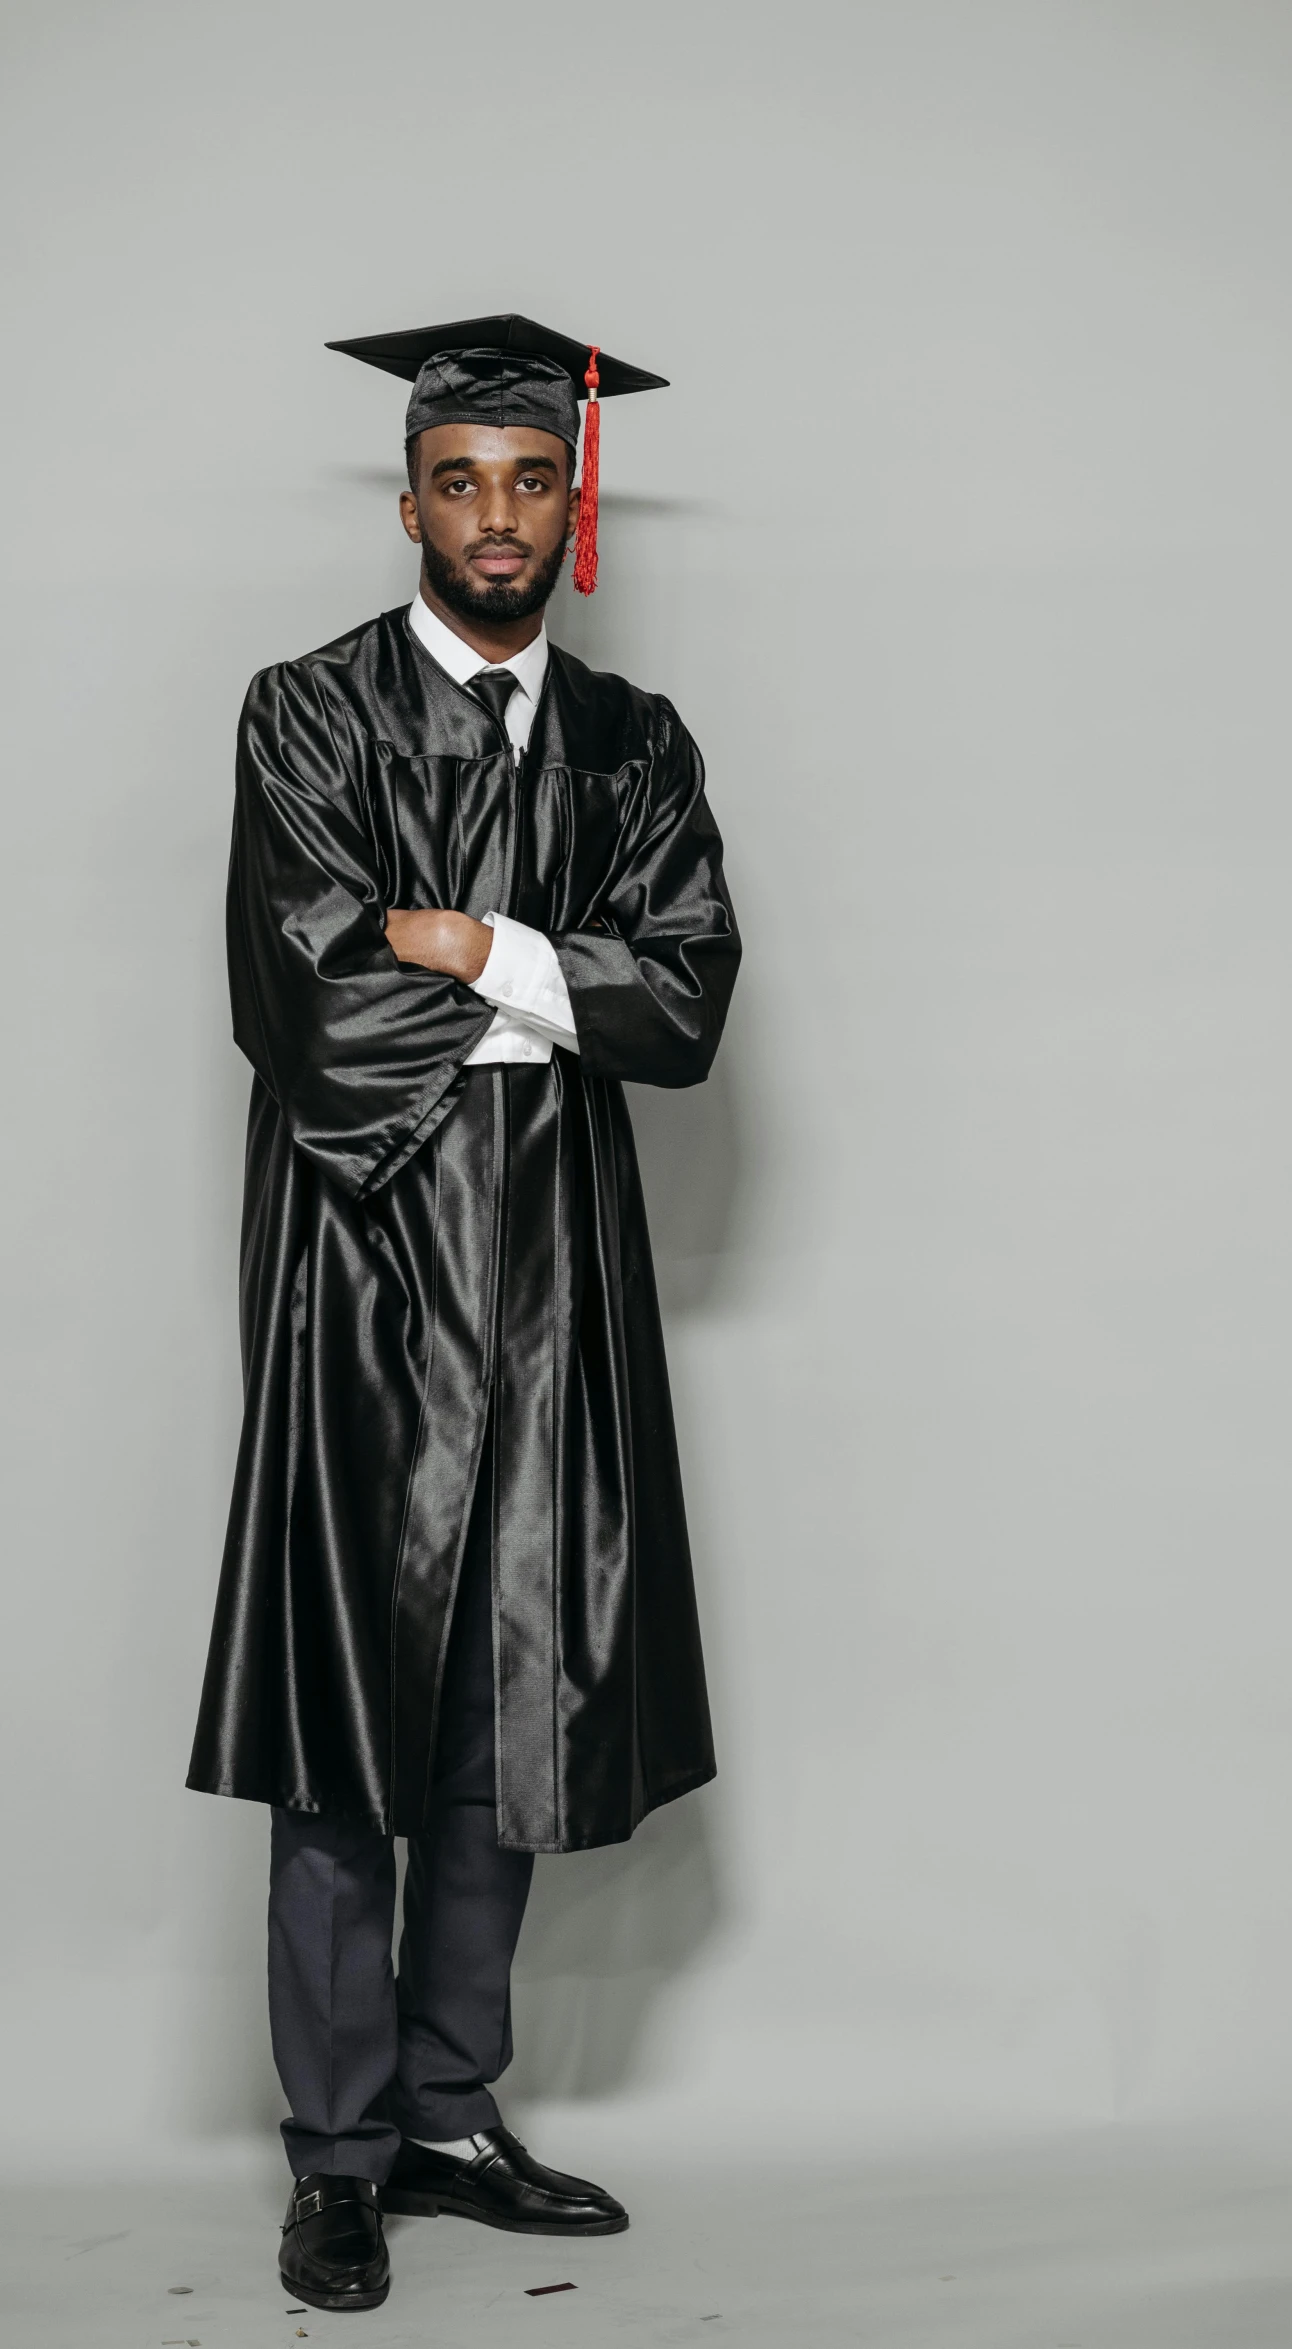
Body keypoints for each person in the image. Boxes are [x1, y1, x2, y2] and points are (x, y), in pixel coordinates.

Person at [186, 312, 741, 2315]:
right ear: (408, 495)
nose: (495, 514)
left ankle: (447, 2110)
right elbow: (309, 999)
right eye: (459, 478)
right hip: (365, 1264)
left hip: (554, 1286)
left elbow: (680, 1006)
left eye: (529, 477)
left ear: (565, 498)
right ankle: (334, 2157)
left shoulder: (631, 742)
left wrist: (484, 942)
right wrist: (551, 990)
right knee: (349, 1711)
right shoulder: (307, 717)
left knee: (508, 1703)